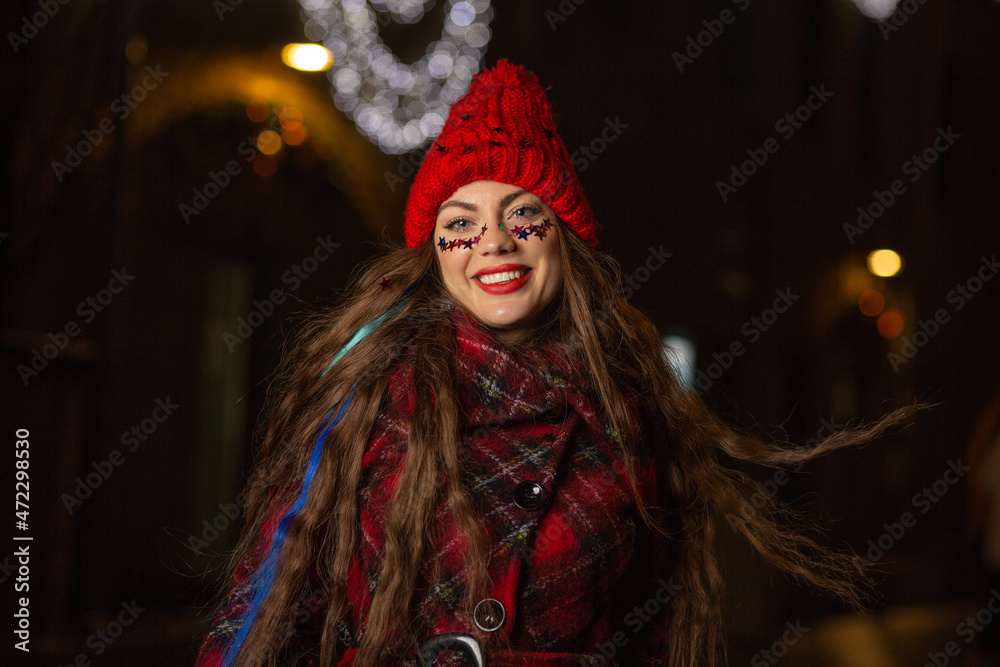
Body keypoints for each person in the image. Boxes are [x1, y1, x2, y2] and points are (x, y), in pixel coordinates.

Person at [193, 60, 915, 667]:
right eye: (460, 224)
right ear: (432, 251)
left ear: (561, 236)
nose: (493, 243)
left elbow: (656, 633)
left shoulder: (630, 416)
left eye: (521, 214)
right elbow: (265, 606)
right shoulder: (367, 398)